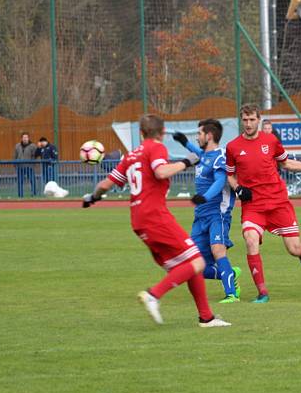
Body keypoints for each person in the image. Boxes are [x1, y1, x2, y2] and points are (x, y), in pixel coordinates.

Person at [81, 114, 230, 328]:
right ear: (161, 133)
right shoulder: (156, 148)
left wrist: (91, 198)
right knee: (198, 262)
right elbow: (161, 172)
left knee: (189, 265)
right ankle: (154, 295)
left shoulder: (131, 155)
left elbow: (106, 184)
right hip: (155, 216)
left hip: (138, 221)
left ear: (141, 133)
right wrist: (187, 161)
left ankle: (206, 317)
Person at [226, 104, 301, 303]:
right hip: (253, 205)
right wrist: (238, 188)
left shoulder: (271, 141)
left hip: (278, 201)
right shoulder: (233, 147)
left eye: (252, 120)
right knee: (250, 239)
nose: (248, 124)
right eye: (245, 120)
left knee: (293, 248)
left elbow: (286, 163)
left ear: (259, 120)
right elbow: (230, 176)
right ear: (241, 120)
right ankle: (262, 292)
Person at [173, 119, 241, 304]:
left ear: (209, 136)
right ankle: (230, 273)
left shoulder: (220, 156)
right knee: (192, 264)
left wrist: (205, 197)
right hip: (200, 217)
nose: (197, 137)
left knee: (218, 251)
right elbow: (198, 153)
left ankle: (232, 294)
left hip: (217, 215)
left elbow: (220, 182)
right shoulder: (204, 155)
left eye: (199, 134)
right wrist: (183, 142)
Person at [13, 132, 37, 197]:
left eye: (26, 137)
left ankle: (34, 194)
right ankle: (20, 195)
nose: (25, 139)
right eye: (24, 137)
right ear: (21, 138)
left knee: (32, 181)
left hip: (29, 167)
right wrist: (15, 164)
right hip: (20, 167)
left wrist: (33, 164)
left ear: (28, 138)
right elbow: (15, 155)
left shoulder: (33, 146)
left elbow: (35, 156)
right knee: (20, 182)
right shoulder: (17, 145)